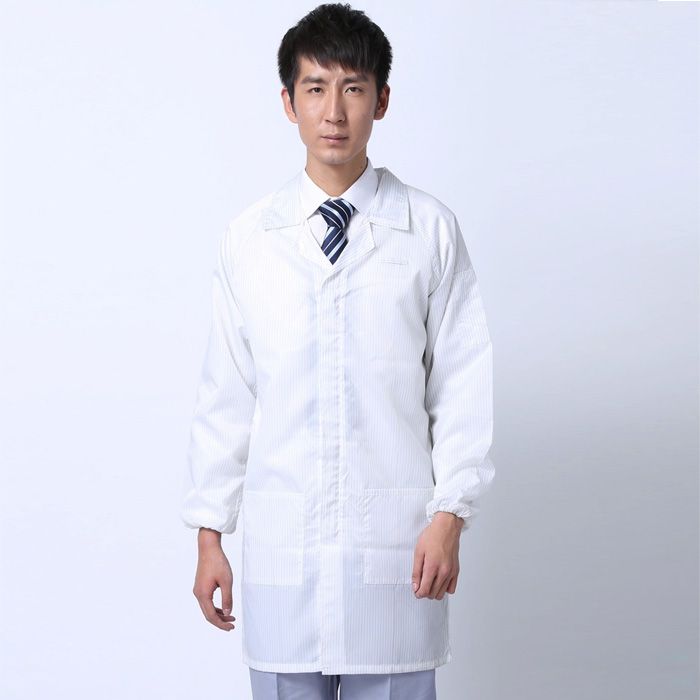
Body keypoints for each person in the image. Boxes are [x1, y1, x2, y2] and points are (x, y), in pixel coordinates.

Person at [180, 3, 495, 698]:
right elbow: (225, 396)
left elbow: (462, 386)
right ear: (288, 102)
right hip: (283, 559)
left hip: (397, 558)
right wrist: (209, 535)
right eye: (316, 88)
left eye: (353, 88)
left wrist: (450, 518)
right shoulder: (249, 241)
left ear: (381, 100)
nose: (334, 111)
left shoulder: (429, 231)